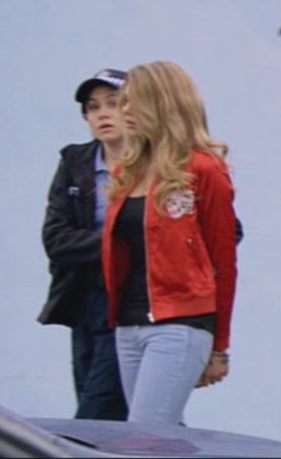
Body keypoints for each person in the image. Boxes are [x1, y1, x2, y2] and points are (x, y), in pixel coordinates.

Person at [102, 60, 240, 425]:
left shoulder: (203, 169)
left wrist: (220, 346)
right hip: (128, 325)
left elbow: (224, 263)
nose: (123, 110)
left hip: (180, 324)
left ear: (161, 103)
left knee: (144, 438)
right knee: (160, 438)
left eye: (132, 101)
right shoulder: (128, 172)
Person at [39, 69, 131, 421]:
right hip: (83, 297)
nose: (103, 114)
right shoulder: (74, 163)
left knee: (96, 414)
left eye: (113, 103)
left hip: (133, 301)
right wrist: (122, 245)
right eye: (93, 107)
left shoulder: (160, 163)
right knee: (103, 412)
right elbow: (56, 239)